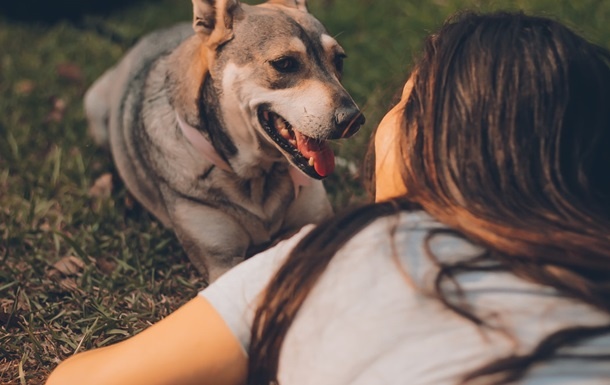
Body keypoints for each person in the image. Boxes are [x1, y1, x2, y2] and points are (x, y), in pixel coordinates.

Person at [46, 10, 610, 385]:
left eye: (407, 103)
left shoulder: (332, 258)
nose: (356, 113)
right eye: (287, 67)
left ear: (449, 147)